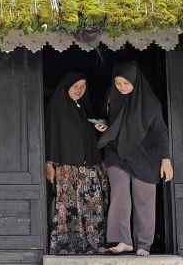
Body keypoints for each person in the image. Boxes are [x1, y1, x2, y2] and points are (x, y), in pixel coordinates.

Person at [97, 61, 174, 256]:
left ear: (135, 82)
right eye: (118, 83)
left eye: (126, 83)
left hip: (145, 156)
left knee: (144, 200)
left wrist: (166, 159)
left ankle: (143, 244)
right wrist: (102, 124)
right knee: (119, 193)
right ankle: (123, 240)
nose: (121, 87)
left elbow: (160, 130)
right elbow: (107, 118)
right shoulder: (111, 97)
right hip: (116, 153)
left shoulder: (150, 103)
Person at [45, 71, 108, 254]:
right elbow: (50, 135)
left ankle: (94, 244)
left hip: (88, 167)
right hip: (66, 166)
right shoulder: (57, 106)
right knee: (69, 207)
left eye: (83, 86)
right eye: (75, 86)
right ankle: (68, 246)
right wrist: (48, 163)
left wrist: (100, 125)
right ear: (66, 87)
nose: (80, 90)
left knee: (92, 205)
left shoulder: (83, 106)